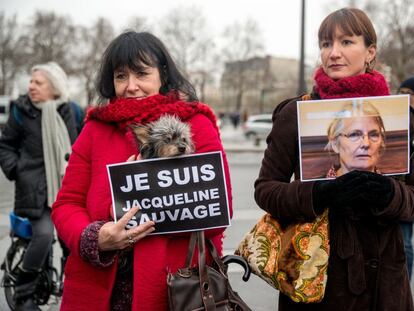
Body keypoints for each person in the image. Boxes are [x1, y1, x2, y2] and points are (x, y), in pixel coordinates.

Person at [51, 31, 233, 311]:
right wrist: (96, 237)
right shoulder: (94, 129)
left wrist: (150, 192)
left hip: (174, 290)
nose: (131, 86)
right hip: (97, 289)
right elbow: (66, 204)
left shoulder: (197, 123)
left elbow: (218, 213)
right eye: (121, 76)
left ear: (162, 74)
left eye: (141, 74)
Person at [255, 8, 414, 310]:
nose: (333, 53)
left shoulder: (399, 116)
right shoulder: (296, 114)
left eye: (346, 42)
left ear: (370, 51)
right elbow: (265, 190)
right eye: (326, 44)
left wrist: (389, 193)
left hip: (385, 286)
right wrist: (319, 193)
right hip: (316, 278)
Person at [0, 62, 77, 310]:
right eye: (31, 82)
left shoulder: (72, 111)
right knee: (43, 235)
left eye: (38, 83)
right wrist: (17, 170)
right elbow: (5, 146)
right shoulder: (21, 110)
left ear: (54, 88)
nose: (31, 87)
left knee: (73, 240)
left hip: (67, 188)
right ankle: (24, 294)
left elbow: (84, 146)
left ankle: (73, 289)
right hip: (33, 189)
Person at [325, 101, 385, 178]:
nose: (366, 144)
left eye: (374, 135)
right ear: (335, 144)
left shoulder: (396, 186)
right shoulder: (314, 188)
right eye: (354, 135)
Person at [398, 76, 414, 280]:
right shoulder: (399, 118)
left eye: (407, 94)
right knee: (404, 244)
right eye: (400, 93)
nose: (403, 98)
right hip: (401, 189)